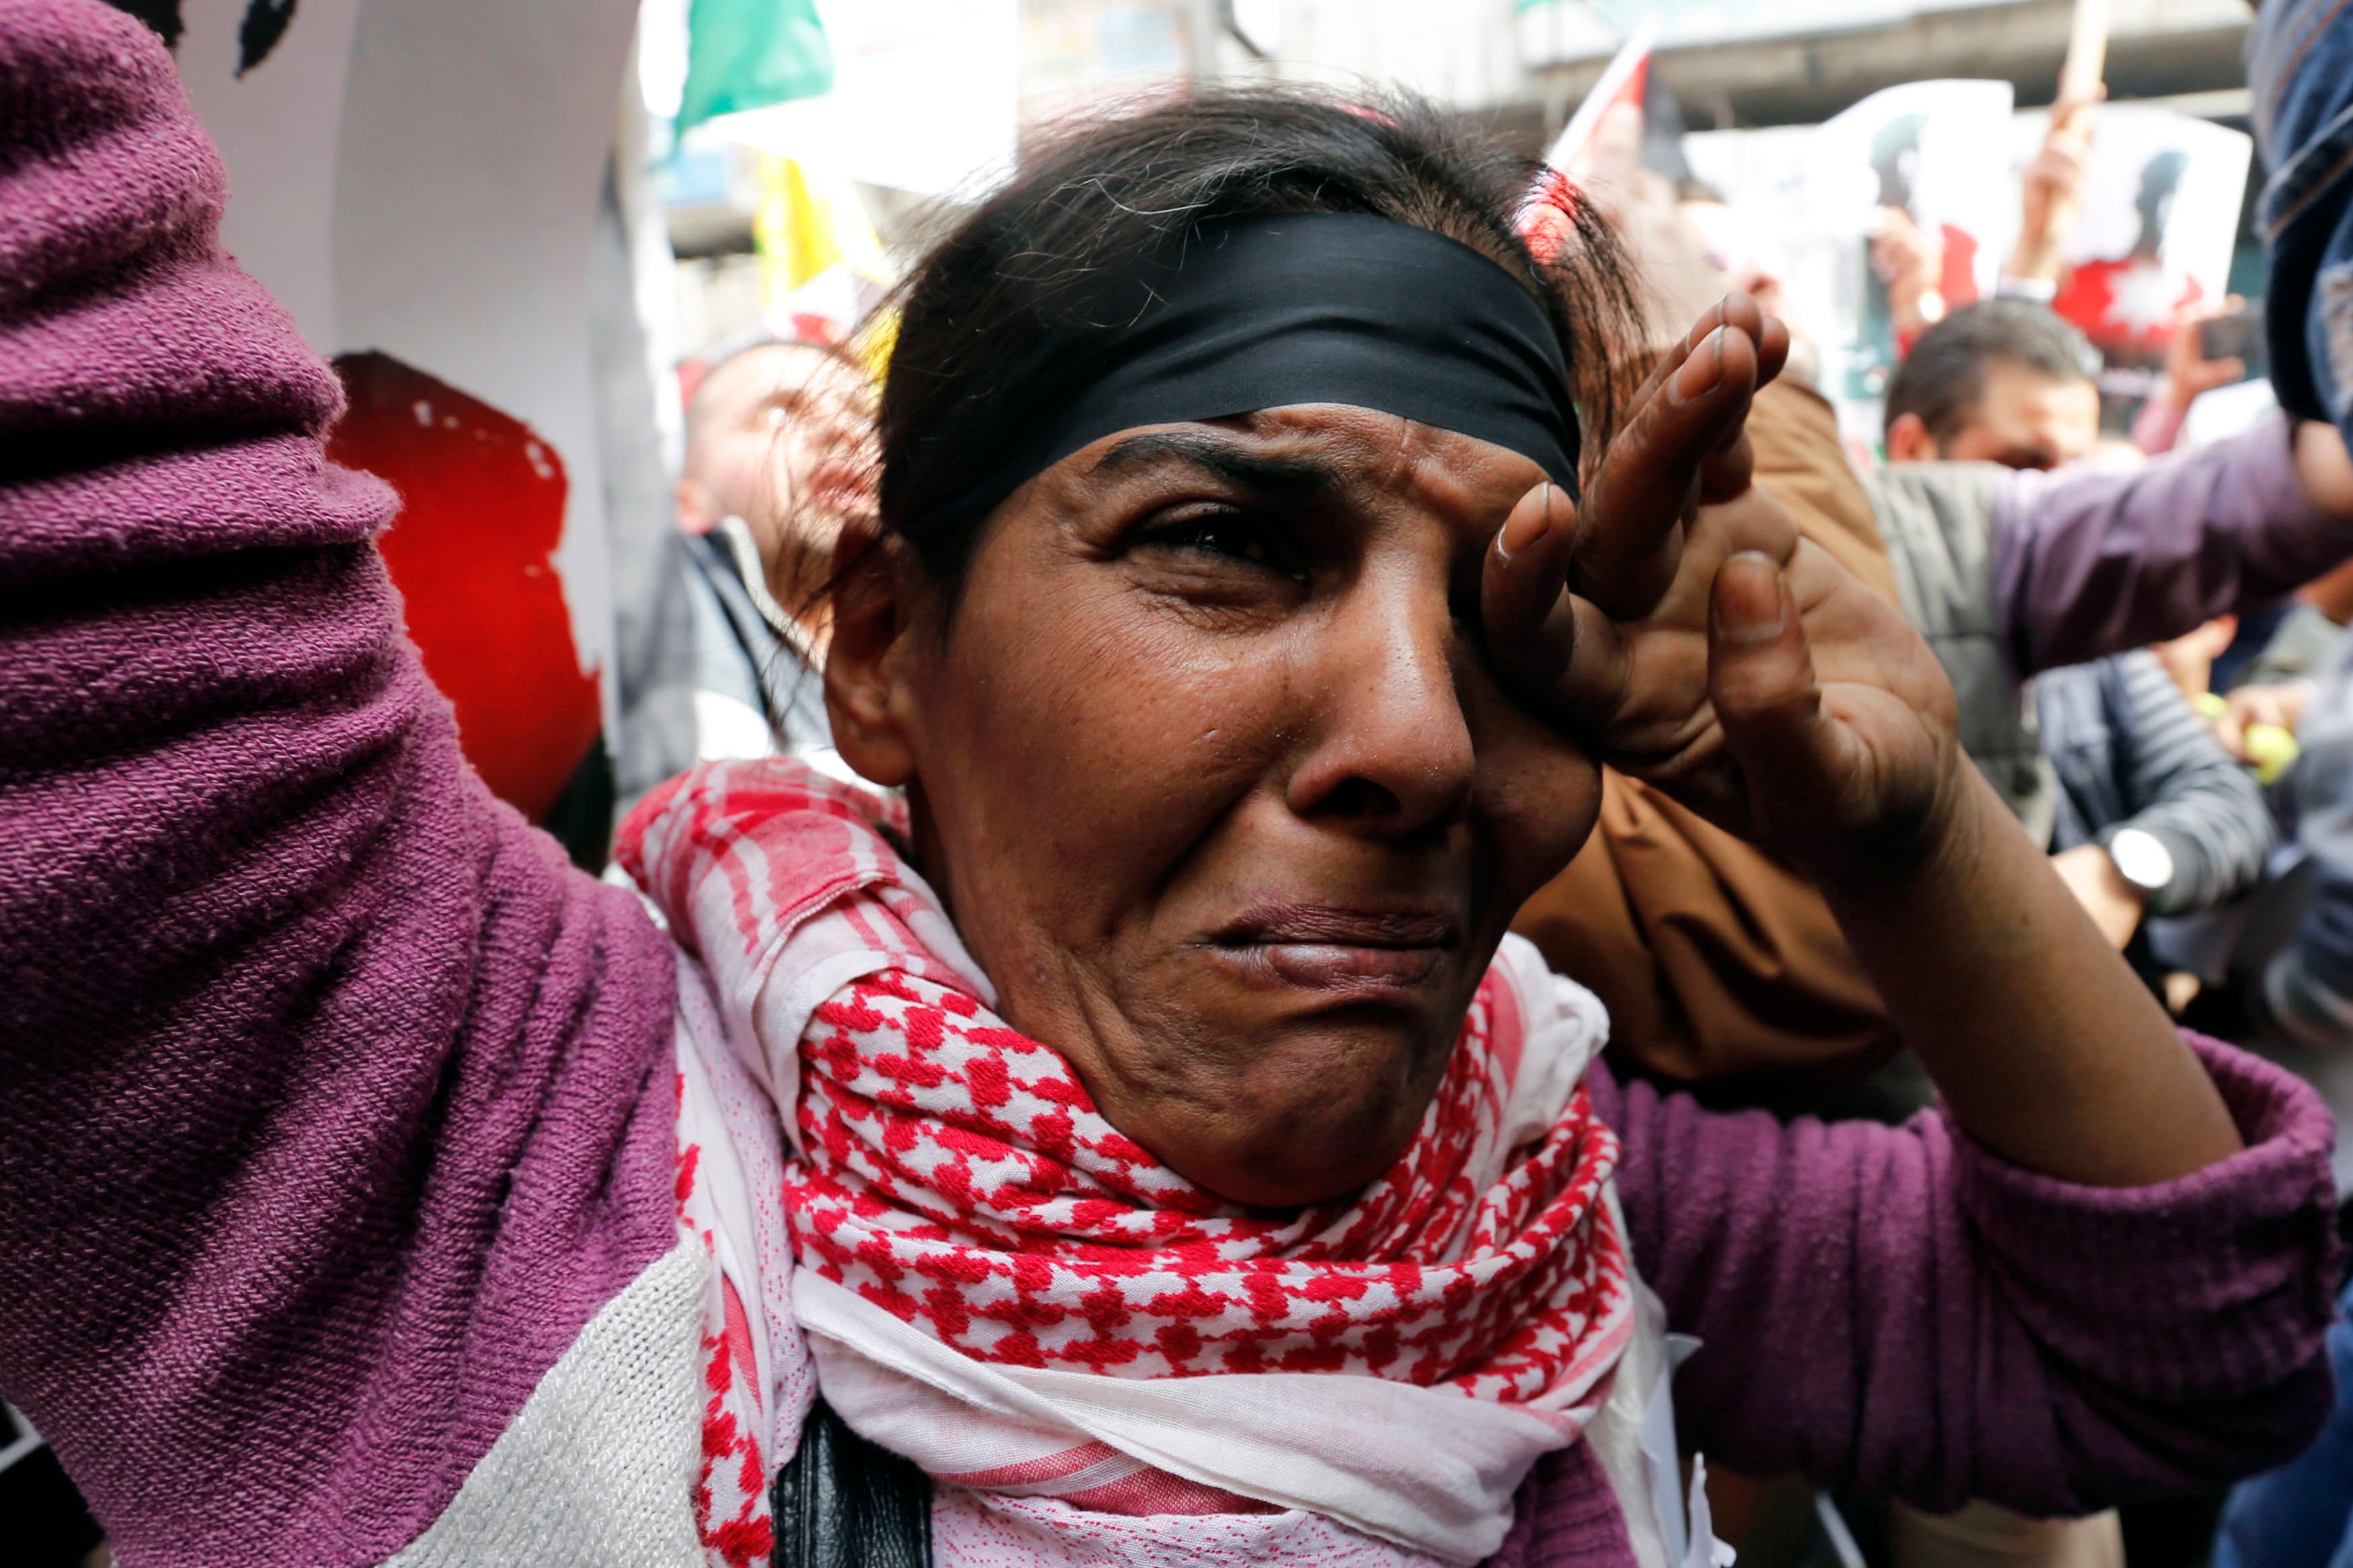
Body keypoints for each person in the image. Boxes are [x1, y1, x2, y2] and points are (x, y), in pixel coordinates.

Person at [1, 13, 2340, 1568]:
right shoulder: (477, 1176)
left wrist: (1902, 819)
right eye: (1228, 546)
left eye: (1507, 614)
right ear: (891, 652)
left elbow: (2174, 1359)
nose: (1422, 740)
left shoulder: (1546, 1188)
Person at [670, 334, 878, 771]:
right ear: (684, 502)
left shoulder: (951, 635)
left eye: (865, 415)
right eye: (780, 413)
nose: (843, 430)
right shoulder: (660, 608)